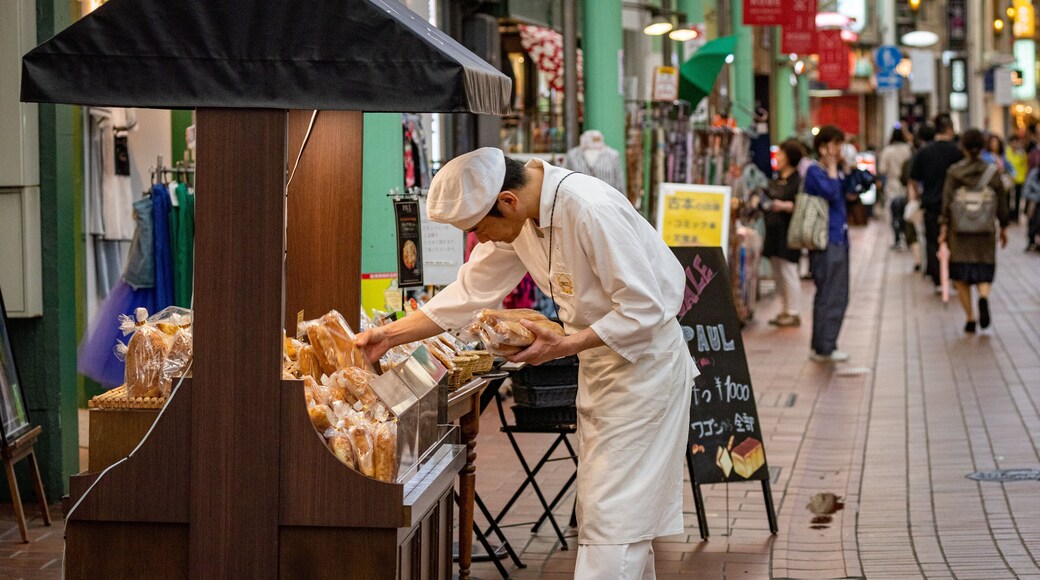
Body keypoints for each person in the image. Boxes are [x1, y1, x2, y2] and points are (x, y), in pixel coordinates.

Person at [356, 148, 695, 579]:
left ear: (508, 201)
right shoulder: (521, 221)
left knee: (613, 516)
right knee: (617, 513)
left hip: (647, 370)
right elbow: (468, 293)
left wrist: (566, 344)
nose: (483, 241)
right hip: (601, 366)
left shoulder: (589, 207)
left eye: (480, 229)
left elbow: (646, 308)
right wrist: (388, 336)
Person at [939, 129, 1009, 333]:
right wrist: (1003, 226)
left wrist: (943, 227)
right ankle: (984, 297)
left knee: (961, 276)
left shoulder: (954, 172)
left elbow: (947, 203)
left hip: (959, 232)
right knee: (984, 270)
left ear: (963, 147)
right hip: (985, 230)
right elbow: (1002, 202)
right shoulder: (992, 171)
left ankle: (970, 318)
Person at [804, 125, 852, 362]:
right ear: (823, 148)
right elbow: (832, 194)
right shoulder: (815, 172)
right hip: (826, 240)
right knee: (831, 293)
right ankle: (825, 346)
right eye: (836, 144)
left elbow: (853, 191)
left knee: (835, 293)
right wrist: (834, 168)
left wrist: (844, 168)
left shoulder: (835, 170)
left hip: (839, 237)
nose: (839, 149)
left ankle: (823, 344)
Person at [910, 113, 963, 293]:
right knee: (954, 241)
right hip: (954, 205)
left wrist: (917, 197)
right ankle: (954, 276)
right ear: (949, 130)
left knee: (932, 241)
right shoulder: (957, 151)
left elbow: (913, 179)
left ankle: (937, 279)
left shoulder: (924, 151)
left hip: (931, 204)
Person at [763, 139, 805, 327]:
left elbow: (802, 205)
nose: (777, 157)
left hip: (789, 231)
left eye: (781, 153)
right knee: (777, 270)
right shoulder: (777, 178)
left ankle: (793, 311)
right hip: (773, 230)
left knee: (788, 270)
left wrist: (785, 206)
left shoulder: (798, 181)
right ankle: (784, 309)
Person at [879, 128, 914, 249]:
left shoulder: (887, 151)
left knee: (893, 212)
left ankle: (897, 237)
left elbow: (882, 169)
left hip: (892, 185)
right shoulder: (909, 150)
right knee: (906, 211)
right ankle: (908, 236)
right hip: (907, 185)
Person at [1006, 134, 1029, 222]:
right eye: (1013, 142)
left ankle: (1015, 217)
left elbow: (1025, 166)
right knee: (1008, 198)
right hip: (1009, 179)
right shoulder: (1007, 152)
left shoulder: (1022, 153)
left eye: (1016, 142)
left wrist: (1024, 176)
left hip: (1019, 178)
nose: (1014, 144)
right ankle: (1008, 216)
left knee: (1017, 198)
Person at [1022, 164, 1040, 251]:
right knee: (1033, 222)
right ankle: (1031, 241)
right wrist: (1037, 196)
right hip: (1034, 204)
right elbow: (1026, 191)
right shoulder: (1034, 174)